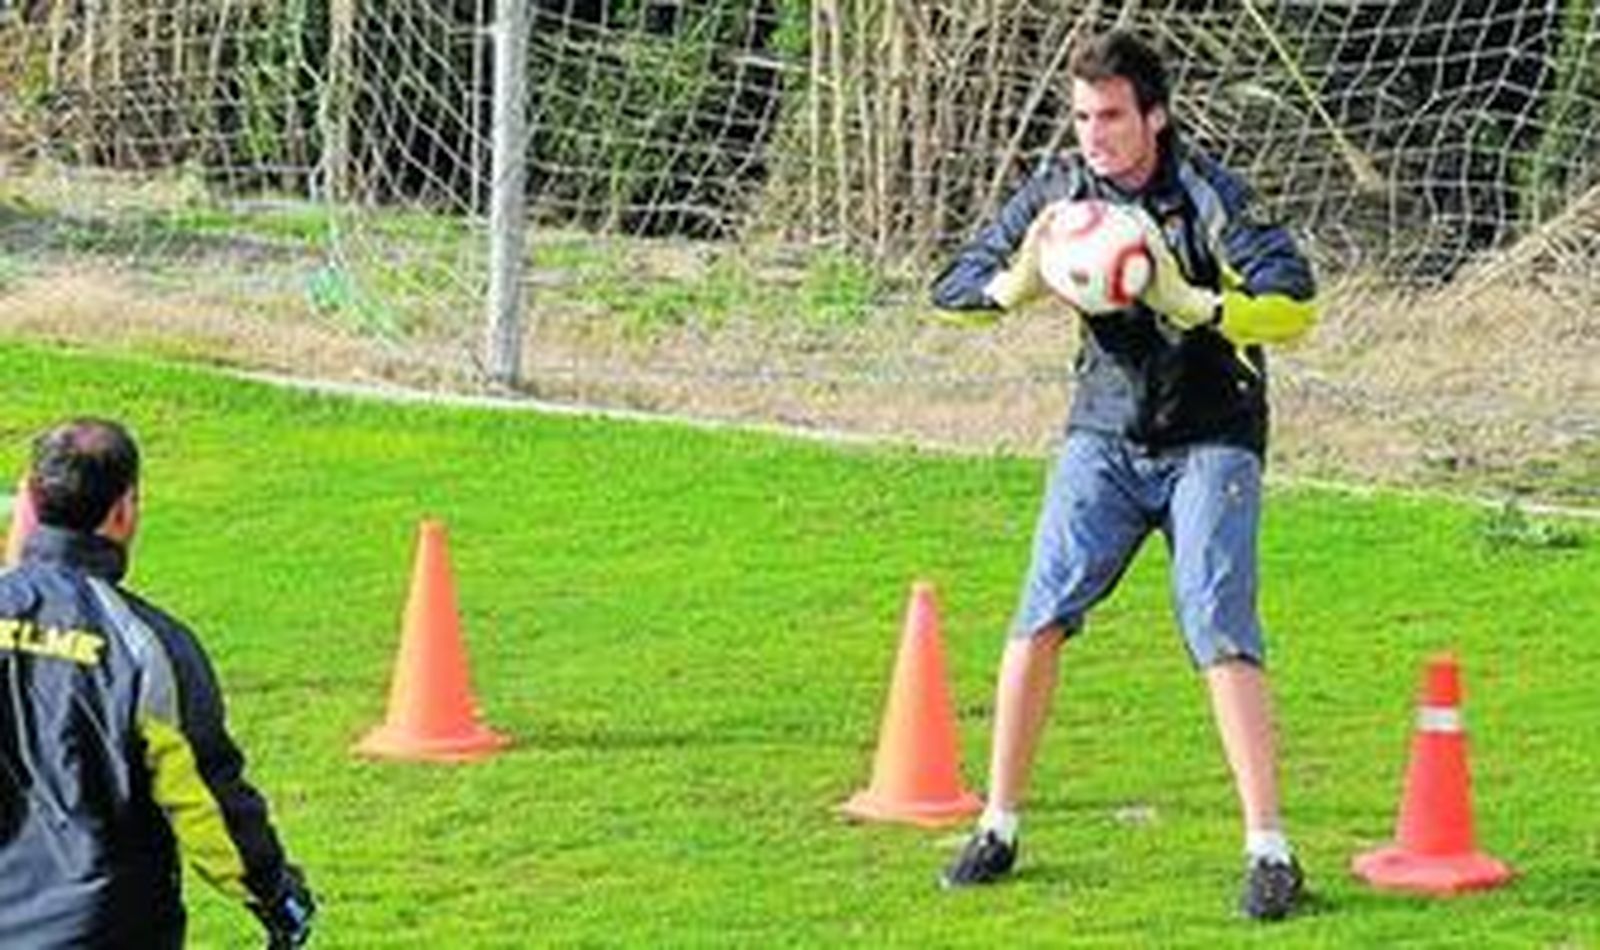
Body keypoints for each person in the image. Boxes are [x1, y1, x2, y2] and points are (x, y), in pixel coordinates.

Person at [930, 30, 1317, 920]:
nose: (1093, 135)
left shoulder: (1211, 195)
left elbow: (1296, 303)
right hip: (1103, 433)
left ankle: (1270, 850)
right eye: (1081, 117)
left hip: (1213, 435)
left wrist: (1196, 304)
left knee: (1219, 623)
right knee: (1039, 613)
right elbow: (951, 287)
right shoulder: (1060, 194)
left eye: (1110, 116)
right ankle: (997, 827)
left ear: (1156, 116)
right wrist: (1014, 285)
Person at [0, 418, 316, 947]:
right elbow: (205, 801)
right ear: (124, 510)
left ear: (29, 498)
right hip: (105, 930)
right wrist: (274, 893)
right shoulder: (149, 649)